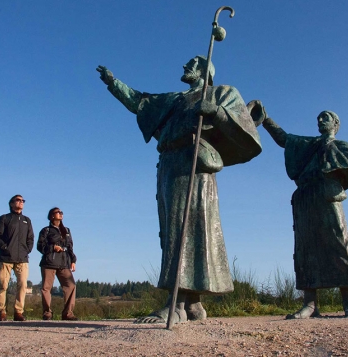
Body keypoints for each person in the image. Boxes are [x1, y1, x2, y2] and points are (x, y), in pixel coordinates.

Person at [96, 56, 262, 325]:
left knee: (186, 228)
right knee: (173, 231)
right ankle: (192, 304)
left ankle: (176, 304)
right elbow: (140, 102)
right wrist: (114, 84)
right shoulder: (174, 99)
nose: (185, 67)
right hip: (170, 164)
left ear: (204, 71)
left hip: (195, 162)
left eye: (192, 64)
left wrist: (217, 113)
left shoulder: (222, 93)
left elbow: (247, 132)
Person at [261, 108, 348, 318]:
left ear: (335, 124)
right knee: (305, 250)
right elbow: (284, 139)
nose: (320, 120)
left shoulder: (340, 147)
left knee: (339, 245)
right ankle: (310, 304)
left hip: (327, 196)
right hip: (305, 198)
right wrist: (266, 119)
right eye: (318, 117)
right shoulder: (309, 145)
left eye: (325, 117)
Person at [0, 194, 34, 321]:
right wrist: (4, 248)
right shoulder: (5, 218)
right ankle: (2, 312)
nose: (21, 202)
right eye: (18, 200)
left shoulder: (27, 220)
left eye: (23, 201)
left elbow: (30, 238)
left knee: (22, 285)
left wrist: (27, 250)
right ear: (11, 203)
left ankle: (18, 312)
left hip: (22, 259)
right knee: (3, 285)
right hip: (6, 258)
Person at [37, 207, 78, 320]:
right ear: (51, 216)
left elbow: (70, 246)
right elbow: (40, 246)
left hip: (64, 263)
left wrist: (73, 260)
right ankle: (47, 313)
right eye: (57, 212)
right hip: (49, 262)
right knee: (46, 288)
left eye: (61, 212)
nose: (60, 214)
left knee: (71, 285)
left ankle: (68, 313)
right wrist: (53, 247)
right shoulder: (46, 230)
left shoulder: (67, 231)